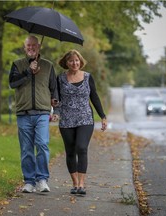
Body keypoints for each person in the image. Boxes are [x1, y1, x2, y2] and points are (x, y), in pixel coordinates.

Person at [9, 35, 58, 193]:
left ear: (39, 47)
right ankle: (29, 181)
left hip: (42, 112)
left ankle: (42, 179)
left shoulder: (48, 66)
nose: (31, 48)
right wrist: (28, 72)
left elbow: (54, 89)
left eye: (34, 46)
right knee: (26, 149)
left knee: (42, 144)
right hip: (23, 112)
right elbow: (13, 83)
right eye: (28, 46)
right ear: (24, 48)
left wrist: (56, 109)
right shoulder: (17, 64)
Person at [55, 49, 107, 195]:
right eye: (71, 60)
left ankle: (82, 184)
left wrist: (102, 116)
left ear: (80, 61)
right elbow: (56, 99)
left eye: (76, 60)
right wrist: (55, 111)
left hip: (85, 118)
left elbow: (94, 97)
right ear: (66, 63)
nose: (74, 63)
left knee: (82, 148)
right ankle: (75, 183)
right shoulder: (60, 79)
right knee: (70, 151)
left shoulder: (88, 77)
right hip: (66, 120)